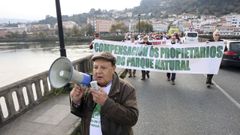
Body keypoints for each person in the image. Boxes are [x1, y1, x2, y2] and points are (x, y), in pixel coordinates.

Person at [70, 52, 139, 135]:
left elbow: (132, 118)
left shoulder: (126, 89)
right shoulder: (88, 86)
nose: (98, 71)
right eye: (95, 67)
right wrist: (76, 102)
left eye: (103, 68)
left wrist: (106, 103)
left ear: (113, 69)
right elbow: (82, 114)